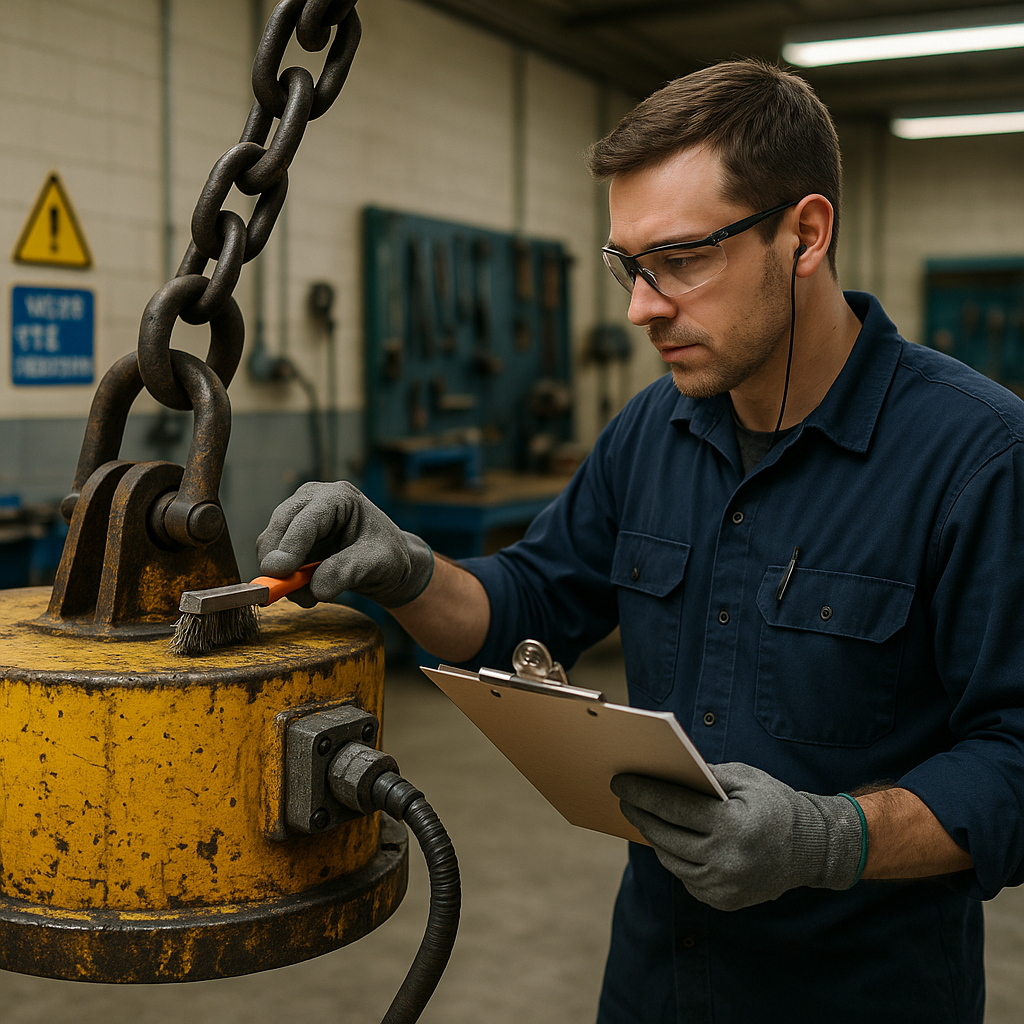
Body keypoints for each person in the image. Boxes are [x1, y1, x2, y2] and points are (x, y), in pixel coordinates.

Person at [256, 60, 1024, 1023]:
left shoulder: (978, 455)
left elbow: (1015, 757)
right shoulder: (649, 433)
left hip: (862, 995)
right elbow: (525, 609)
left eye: (682, 260)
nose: (640, 307)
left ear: (806, 235)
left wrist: (832, 840)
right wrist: (411, 571)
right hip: (655, 983)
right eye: (630, 263)